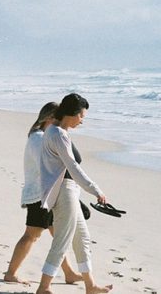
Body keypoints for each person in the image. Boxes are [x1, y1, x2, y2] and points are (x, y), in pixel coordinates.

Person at [36, 93, 112, 294]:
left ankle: (90, 285)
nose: (82, 121)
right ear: (72, 113)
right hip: (64, 191)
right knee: (62, 240)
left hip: (68, 190)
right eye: (81, 116)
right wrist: (95, 190)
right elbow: (73, 168)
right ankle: (43, 287)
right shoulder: (58, 134)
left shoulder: (54, 131)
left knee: (82, 238)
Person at [4, 102, 81, 284]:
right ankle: (10, 274)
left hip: (46, 194)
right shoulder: (39, 138)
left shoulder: (42, 136)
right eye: (59, 117)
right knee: (32, 234)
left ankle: (69, 273)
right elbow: (53, 165)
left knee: (58, 235)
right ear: (49, 118)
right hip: (40, 195)